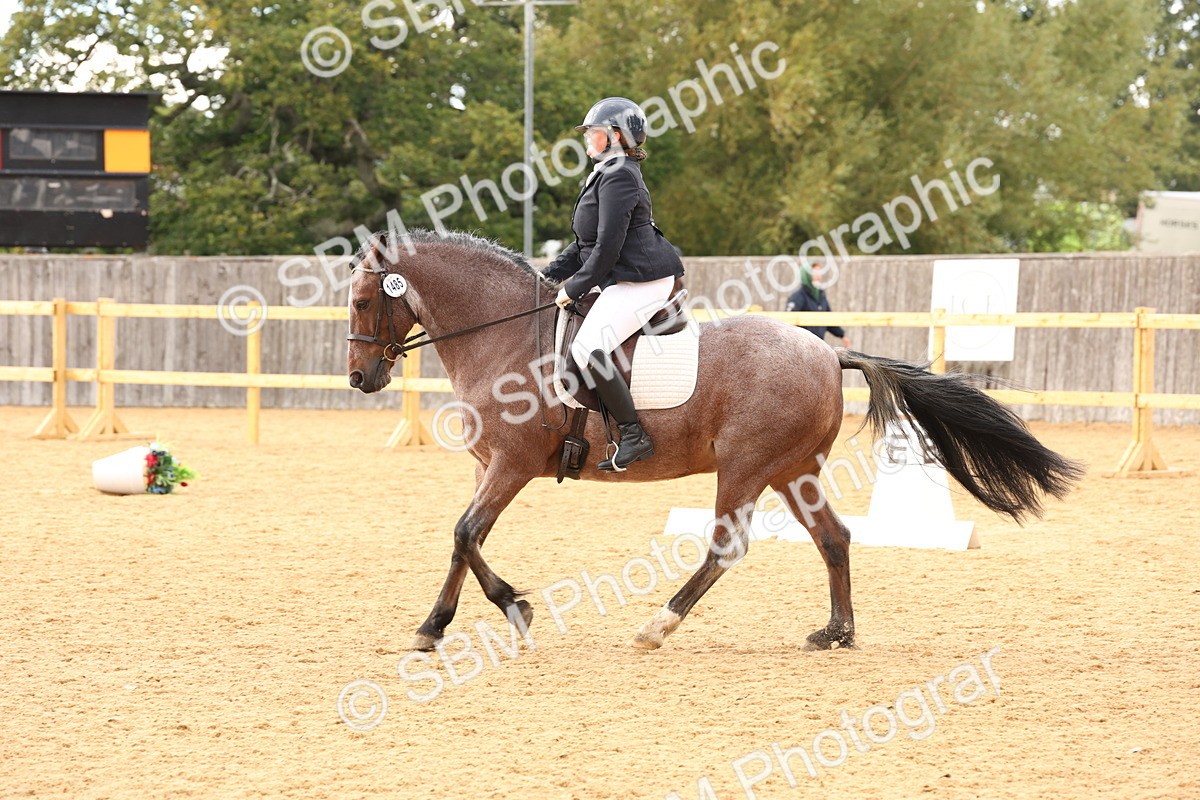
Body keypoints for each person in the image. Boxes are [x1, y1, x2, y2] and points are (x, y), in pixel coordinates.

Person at [540, 97, 685, 472]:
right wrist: (547, 276)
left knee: (588, 347)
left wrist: (573, 288)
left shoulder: (619, 174)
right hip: (623, 276)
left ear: (617, 136)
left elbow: (608, 248)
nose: (588, 136)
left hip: (643, 279)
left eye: (595, 131)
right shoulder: (606, 171)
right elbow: (584, 244)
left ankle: (634, 435)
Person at [786, 261, 852, 349]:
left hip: (819, 348)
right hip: (802, 348)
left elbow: (828, 319)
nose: (818, 276)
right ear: (807, 275)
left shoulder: (821, 296)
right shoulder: (798, 297)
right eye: (815, 273)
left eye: (819, 273)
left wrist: (842, 335)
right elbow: (788, 323)